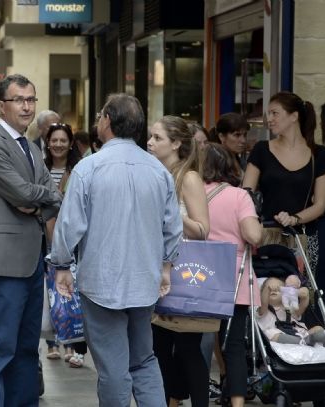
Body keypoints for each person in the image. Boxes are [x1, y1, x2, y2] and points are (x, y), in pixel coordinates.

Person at [49, 93, 182, 406]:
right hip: (144, 280)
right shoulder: (158, 170)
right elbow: (172, 227)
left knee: (113, 366)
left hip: (101, 280)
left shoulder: (88, 168)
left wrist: (62, 265)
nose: (97, 120)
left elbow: (70, 225)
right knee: (144, 358)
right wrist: (165, 267)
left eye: (99, 115)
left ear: (107, 120)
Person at [0, 74, 62, 406]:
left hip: (31, 259)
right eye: (19, 100)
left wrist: (37, 200)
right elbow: (25, 192)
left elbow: (43, 197)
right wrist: (41, 196)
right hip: (4, 261)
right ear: (1, 106)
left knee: (27, 348)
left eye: (31, 100)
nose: (27, 107)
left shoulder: (30, 144)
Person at [148, 115, 210, 407]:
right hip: (154, 270)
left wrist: (171, 210)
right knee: (157, 347)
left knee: (187, 348)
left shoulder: (189, 177)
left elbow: (202, 229)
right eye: (150, 136)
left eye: (157, 138)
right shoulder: (153, 173)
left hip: (183, 272)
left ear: (176, 143)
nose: (149, 142)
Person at [201, 143, 262, 407]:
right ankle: (237, 403)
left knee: (191, 345)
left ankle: (177, 398)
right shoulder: (239, 196)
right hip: (233, 280)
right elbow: (253, 235)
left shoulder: (191, 194)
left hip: (198, 277)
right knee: (235, 346)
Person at [243, 92, 325, 273]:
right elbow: (245, 194)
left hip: (303, 238)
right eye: (268, 114)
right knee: (266, 292)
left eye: (275, 113)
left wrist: (294, 218)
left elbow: (320, 204)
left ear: (294, 116)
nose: (269, 119)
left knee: (300, 295)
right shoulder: (262, 149)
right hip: (266, 235)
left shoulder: (318, 154)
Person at [41, 122, 87, 366]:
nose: (58, 144)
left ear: (71, 144)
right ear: (48, 143)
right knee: (50, 293)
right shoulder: (41, 167)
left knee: (70, 291)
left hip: (72, 242)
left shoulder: (79, 169)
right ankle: (51, 342)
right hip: (44, 238)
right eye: (54, 140)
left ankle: (71, 343)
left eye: (63, 140)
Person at [258, 277, 325, 346]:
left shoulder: (289, 307)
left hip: (296, 332)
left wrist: (305, 297)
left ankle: (321, 341)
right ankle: (303, 341)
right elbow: (264, 301)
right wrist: (267, 288)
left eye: (278, 289)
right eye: (270, 290)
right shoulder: (263, 309)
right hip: (279, 334)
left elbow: (301, 309)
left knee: (318, 328)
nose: (273, 290)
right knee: (271, 334)